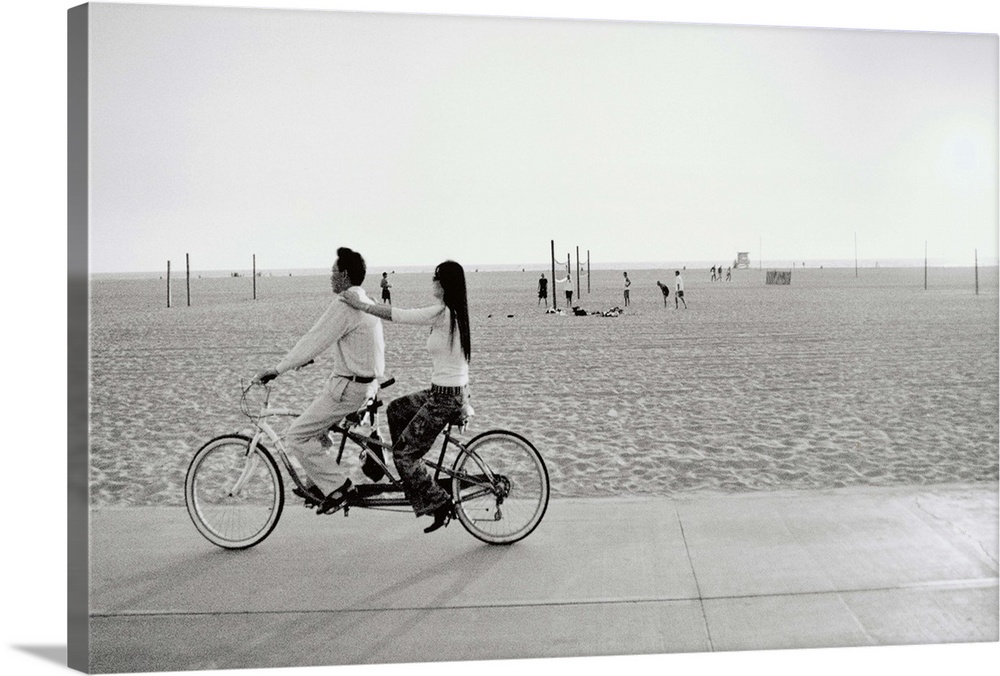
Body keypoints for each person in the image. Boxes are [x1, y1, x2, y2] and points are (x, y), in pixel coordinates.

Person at [341, 260, 471, 534]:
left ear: (445, 283)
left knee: (403, 454)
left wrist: (362, 305)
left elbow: (399, 315)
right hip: (444, 393)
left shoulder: (443, 313)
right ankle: (413, 476)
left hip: (445, 399)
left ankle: (439, 502)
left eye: (436, 278)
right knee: (396, 410)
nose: (432, 282)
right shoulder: (454, 313)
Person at [254, 247, 385, 514]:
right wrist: (304, 359)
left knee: (296, 436)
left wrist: (279, 369)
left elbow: (314, 338)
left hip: (348, 389)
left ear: (345, 275)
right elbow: (338, 342)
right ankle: (317, 484)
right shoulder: (364, 300)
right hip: (365, 386)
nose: (330, 277)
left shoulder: (345, 304)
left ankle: (339, 488)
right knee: (316, 431)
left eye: (333, 272)